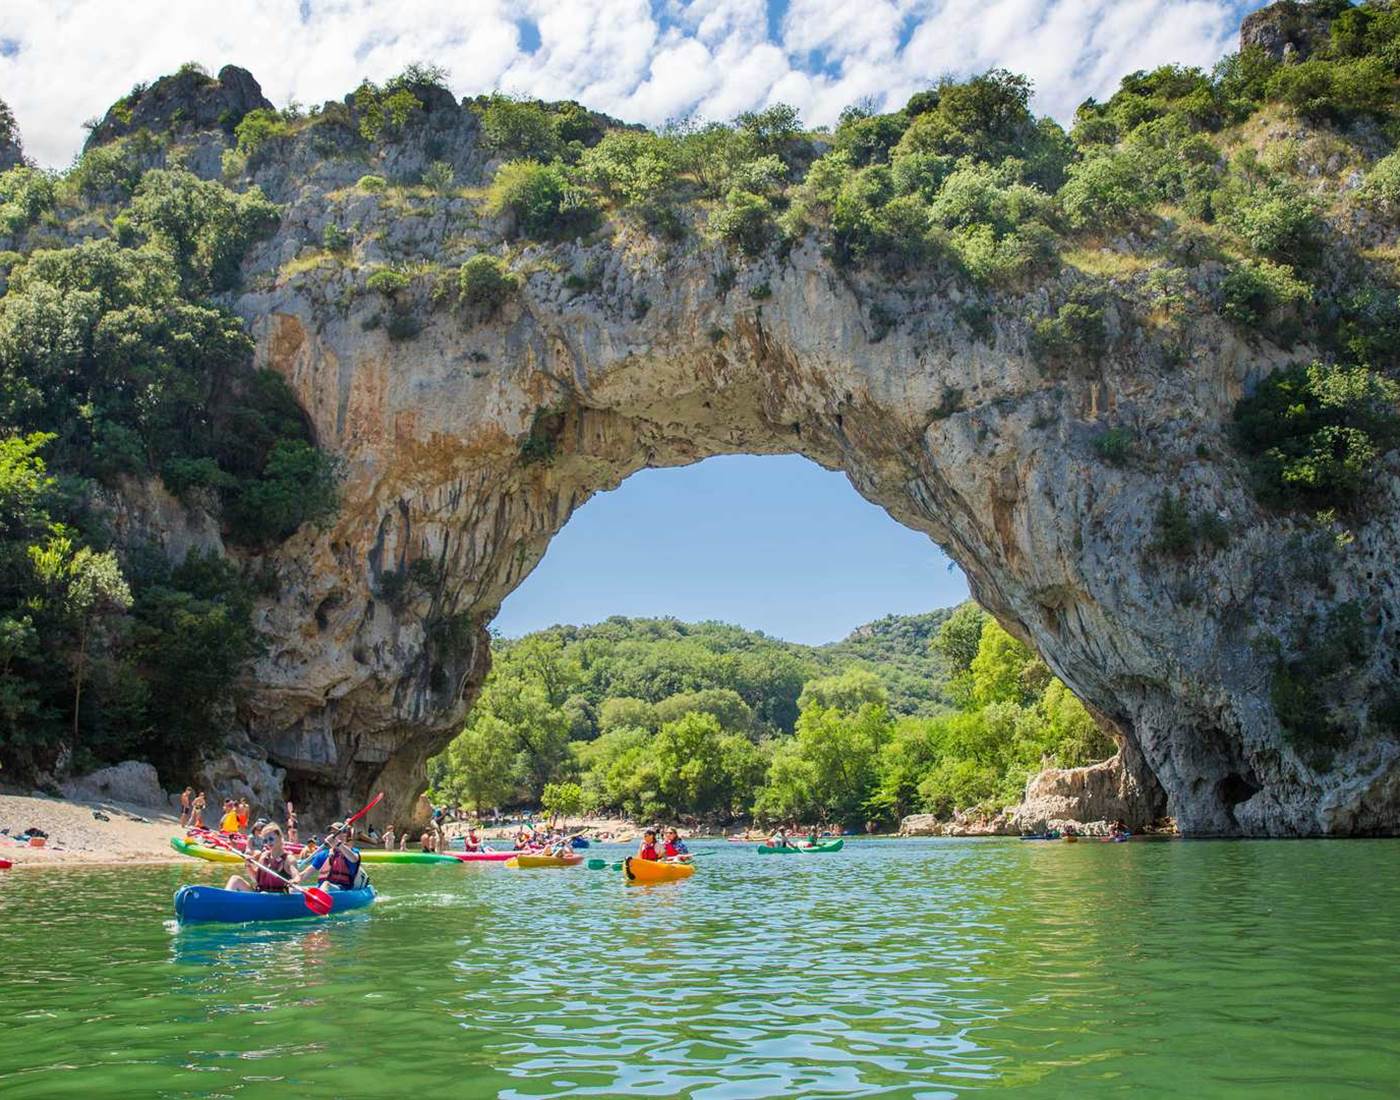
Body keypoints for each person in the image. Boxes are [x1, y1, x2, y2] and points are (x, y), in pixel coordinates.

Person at [227, 825, 299, 893]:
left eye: (271, 839)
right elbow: (255, 878)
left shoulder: (289, 859)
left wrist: (294, 881)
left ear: (280, 837)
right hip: (260, 893)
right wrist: (248, 865)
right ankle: (224, 899)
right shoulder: (264, 856)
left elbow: (296, 876)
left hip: (277, 896)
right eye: (265, 840)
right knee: (235, 879)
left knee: (264, 893)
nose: (268, 842)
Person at [307, 822, 363, 891]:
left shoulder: (352, 852)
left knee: (326, 884)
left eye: (335, 833)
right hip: (321, 888)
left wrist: (337, 843)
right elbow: (306, 873)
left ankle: (320, 896)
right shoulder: (323, 854)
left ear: (344, 835)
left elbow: (354, 859)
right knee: (293, 889)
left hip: (342, 889)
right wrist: (295, 880)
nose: (332, 835)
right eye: (331, 833)